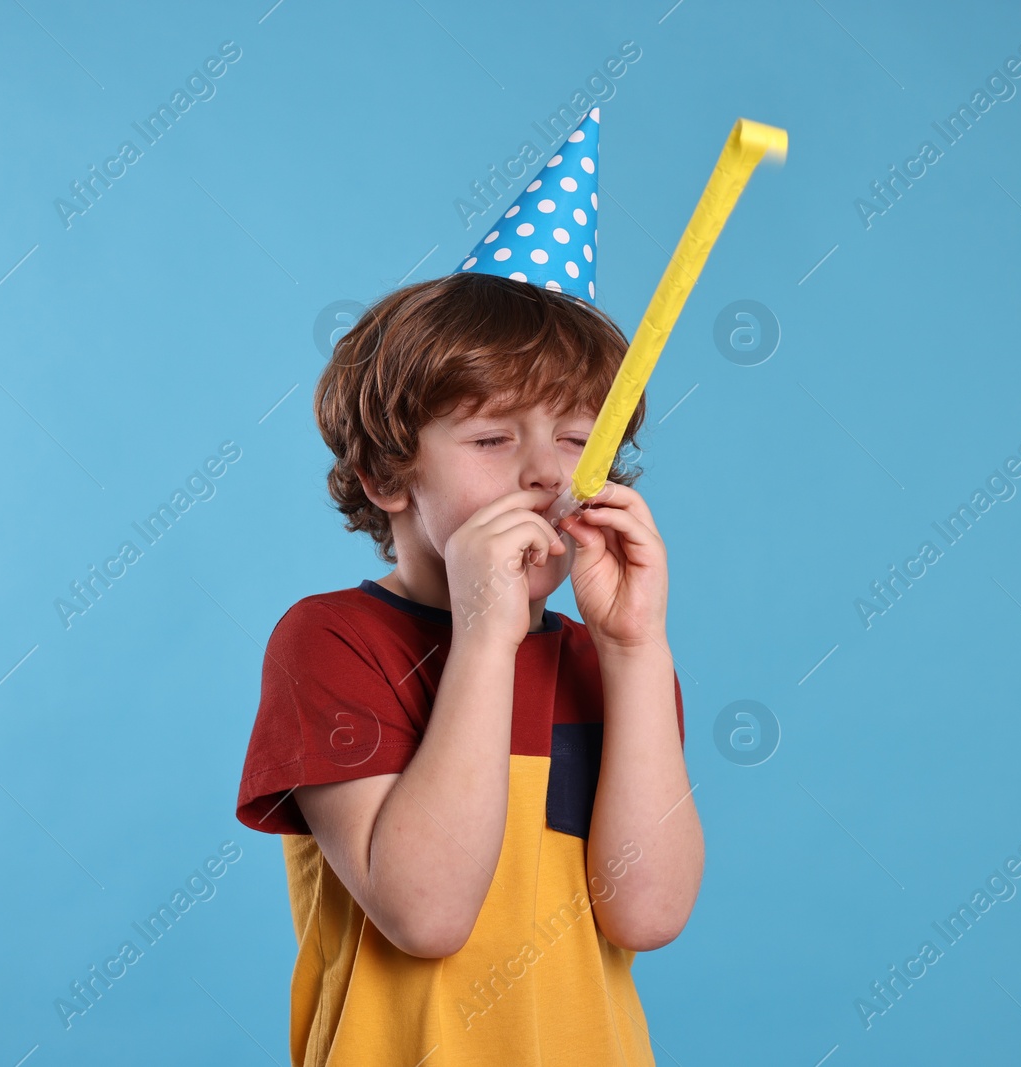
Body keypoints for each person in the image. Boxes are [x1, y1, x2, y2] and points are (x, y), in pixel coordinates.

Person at [234, 106, 701, 1067]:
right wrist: (488, 635)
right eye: (493, 439)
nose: (546, 472)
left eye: (579, 439)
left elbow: (648, 910)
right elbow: (426, 913)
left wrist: (636, 649)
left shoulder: (611, 660)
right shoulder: (330, 644)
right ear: (388, 476)